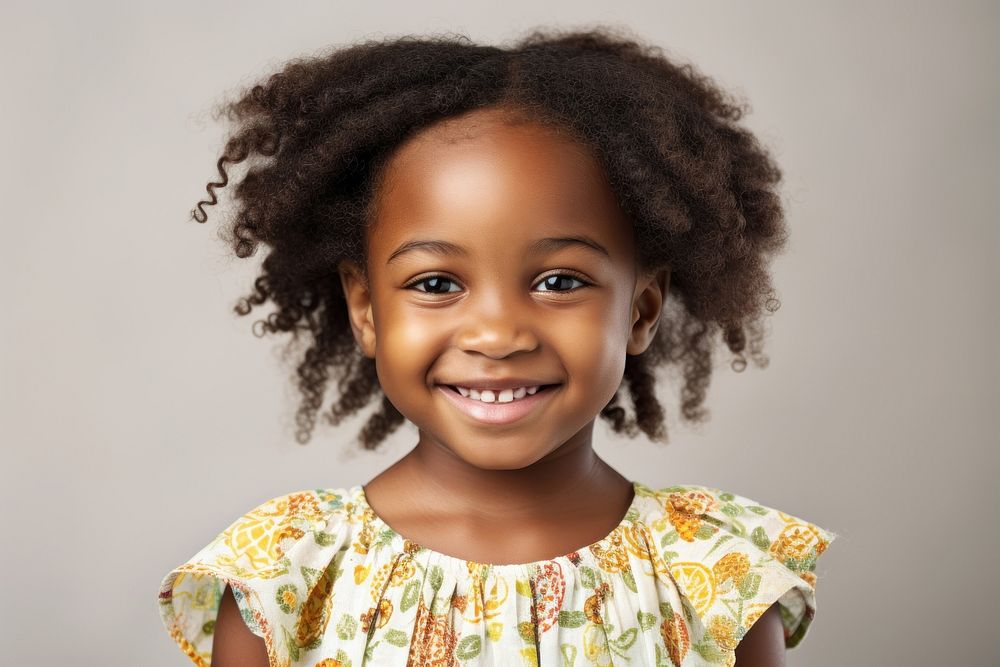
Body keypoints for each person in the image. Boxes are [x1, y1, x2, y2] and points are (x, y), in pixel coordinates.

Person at [157, 26, 836, 666]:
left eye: (559, 280)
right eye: (436, 282)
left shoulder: (718, 578)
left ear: (642, 308)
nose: (498, 334)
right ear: (366, 308)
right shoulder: (285, 578)